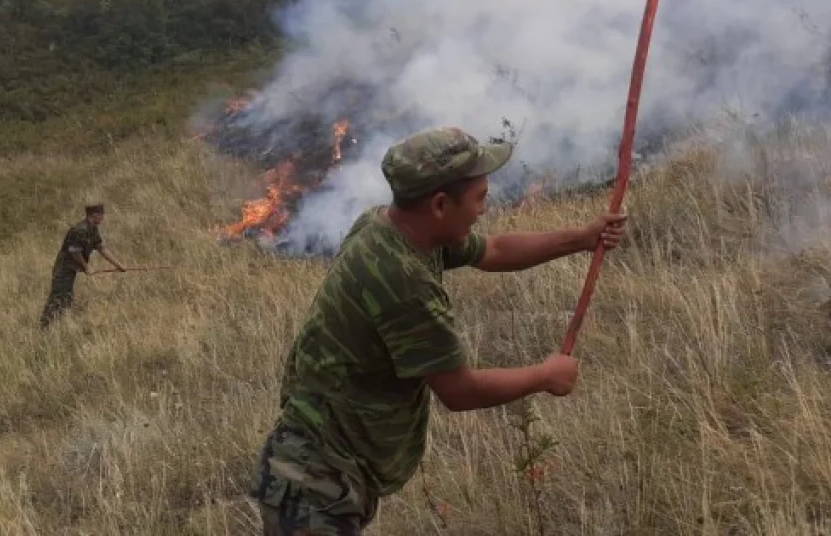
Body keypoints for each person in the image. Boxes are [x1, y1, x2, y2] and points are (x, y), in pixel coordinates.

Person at [249, 126, 628, 535]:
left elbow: (493, 251)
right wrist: (545, 375)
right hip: (314, 483)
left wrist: (583, 238)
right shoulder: (403, 282)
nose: (484, 208)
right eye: (479, 198)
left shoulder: (387, 227)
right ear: (440, 204)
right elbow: (459, 391)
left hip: (329, 469)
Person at [39, 203, 127, 328]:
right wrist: (86, 267)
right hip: (64, 268)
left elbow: (101, 248)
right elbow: (74, 251)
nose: (103, 218)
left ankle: (58, 325)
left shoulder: (92, 229)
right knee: (58, 296)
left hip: (72, 269)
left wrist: (119, 265)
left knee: (67, 298)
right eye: (101, 215)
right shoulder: (79, 230)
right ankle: (44, 326)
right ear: (94, 215)